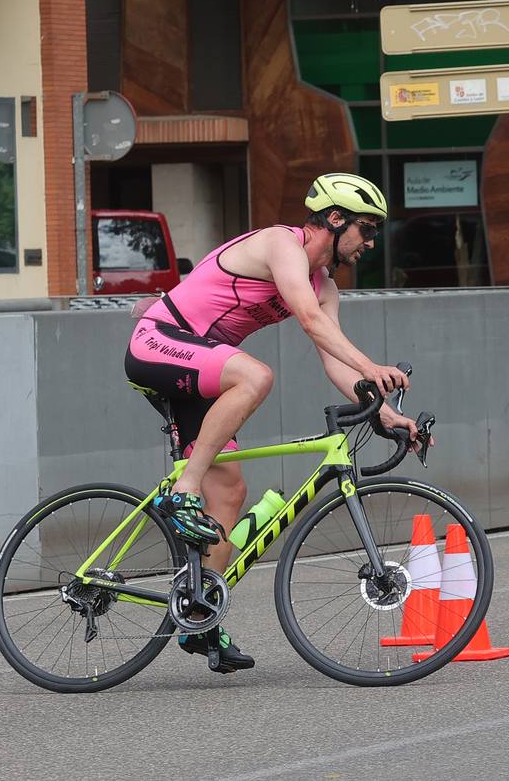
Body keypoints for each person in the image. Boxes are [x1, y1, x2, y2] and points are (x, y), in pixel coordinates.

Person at [123, 172, 419, 673]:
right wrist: (374, 367)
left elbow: (333, 361)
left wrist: (387, 414)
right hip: (158, 342)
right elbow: (308, 320)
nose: (369, 242)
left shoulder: (326, 286)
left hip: (199, 372)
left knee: (231, 494)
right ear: (334, 219)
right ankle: (183, 488)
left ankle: (199, 617)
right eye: (365, 230)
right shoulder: (282, 245)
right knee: (256, 376)